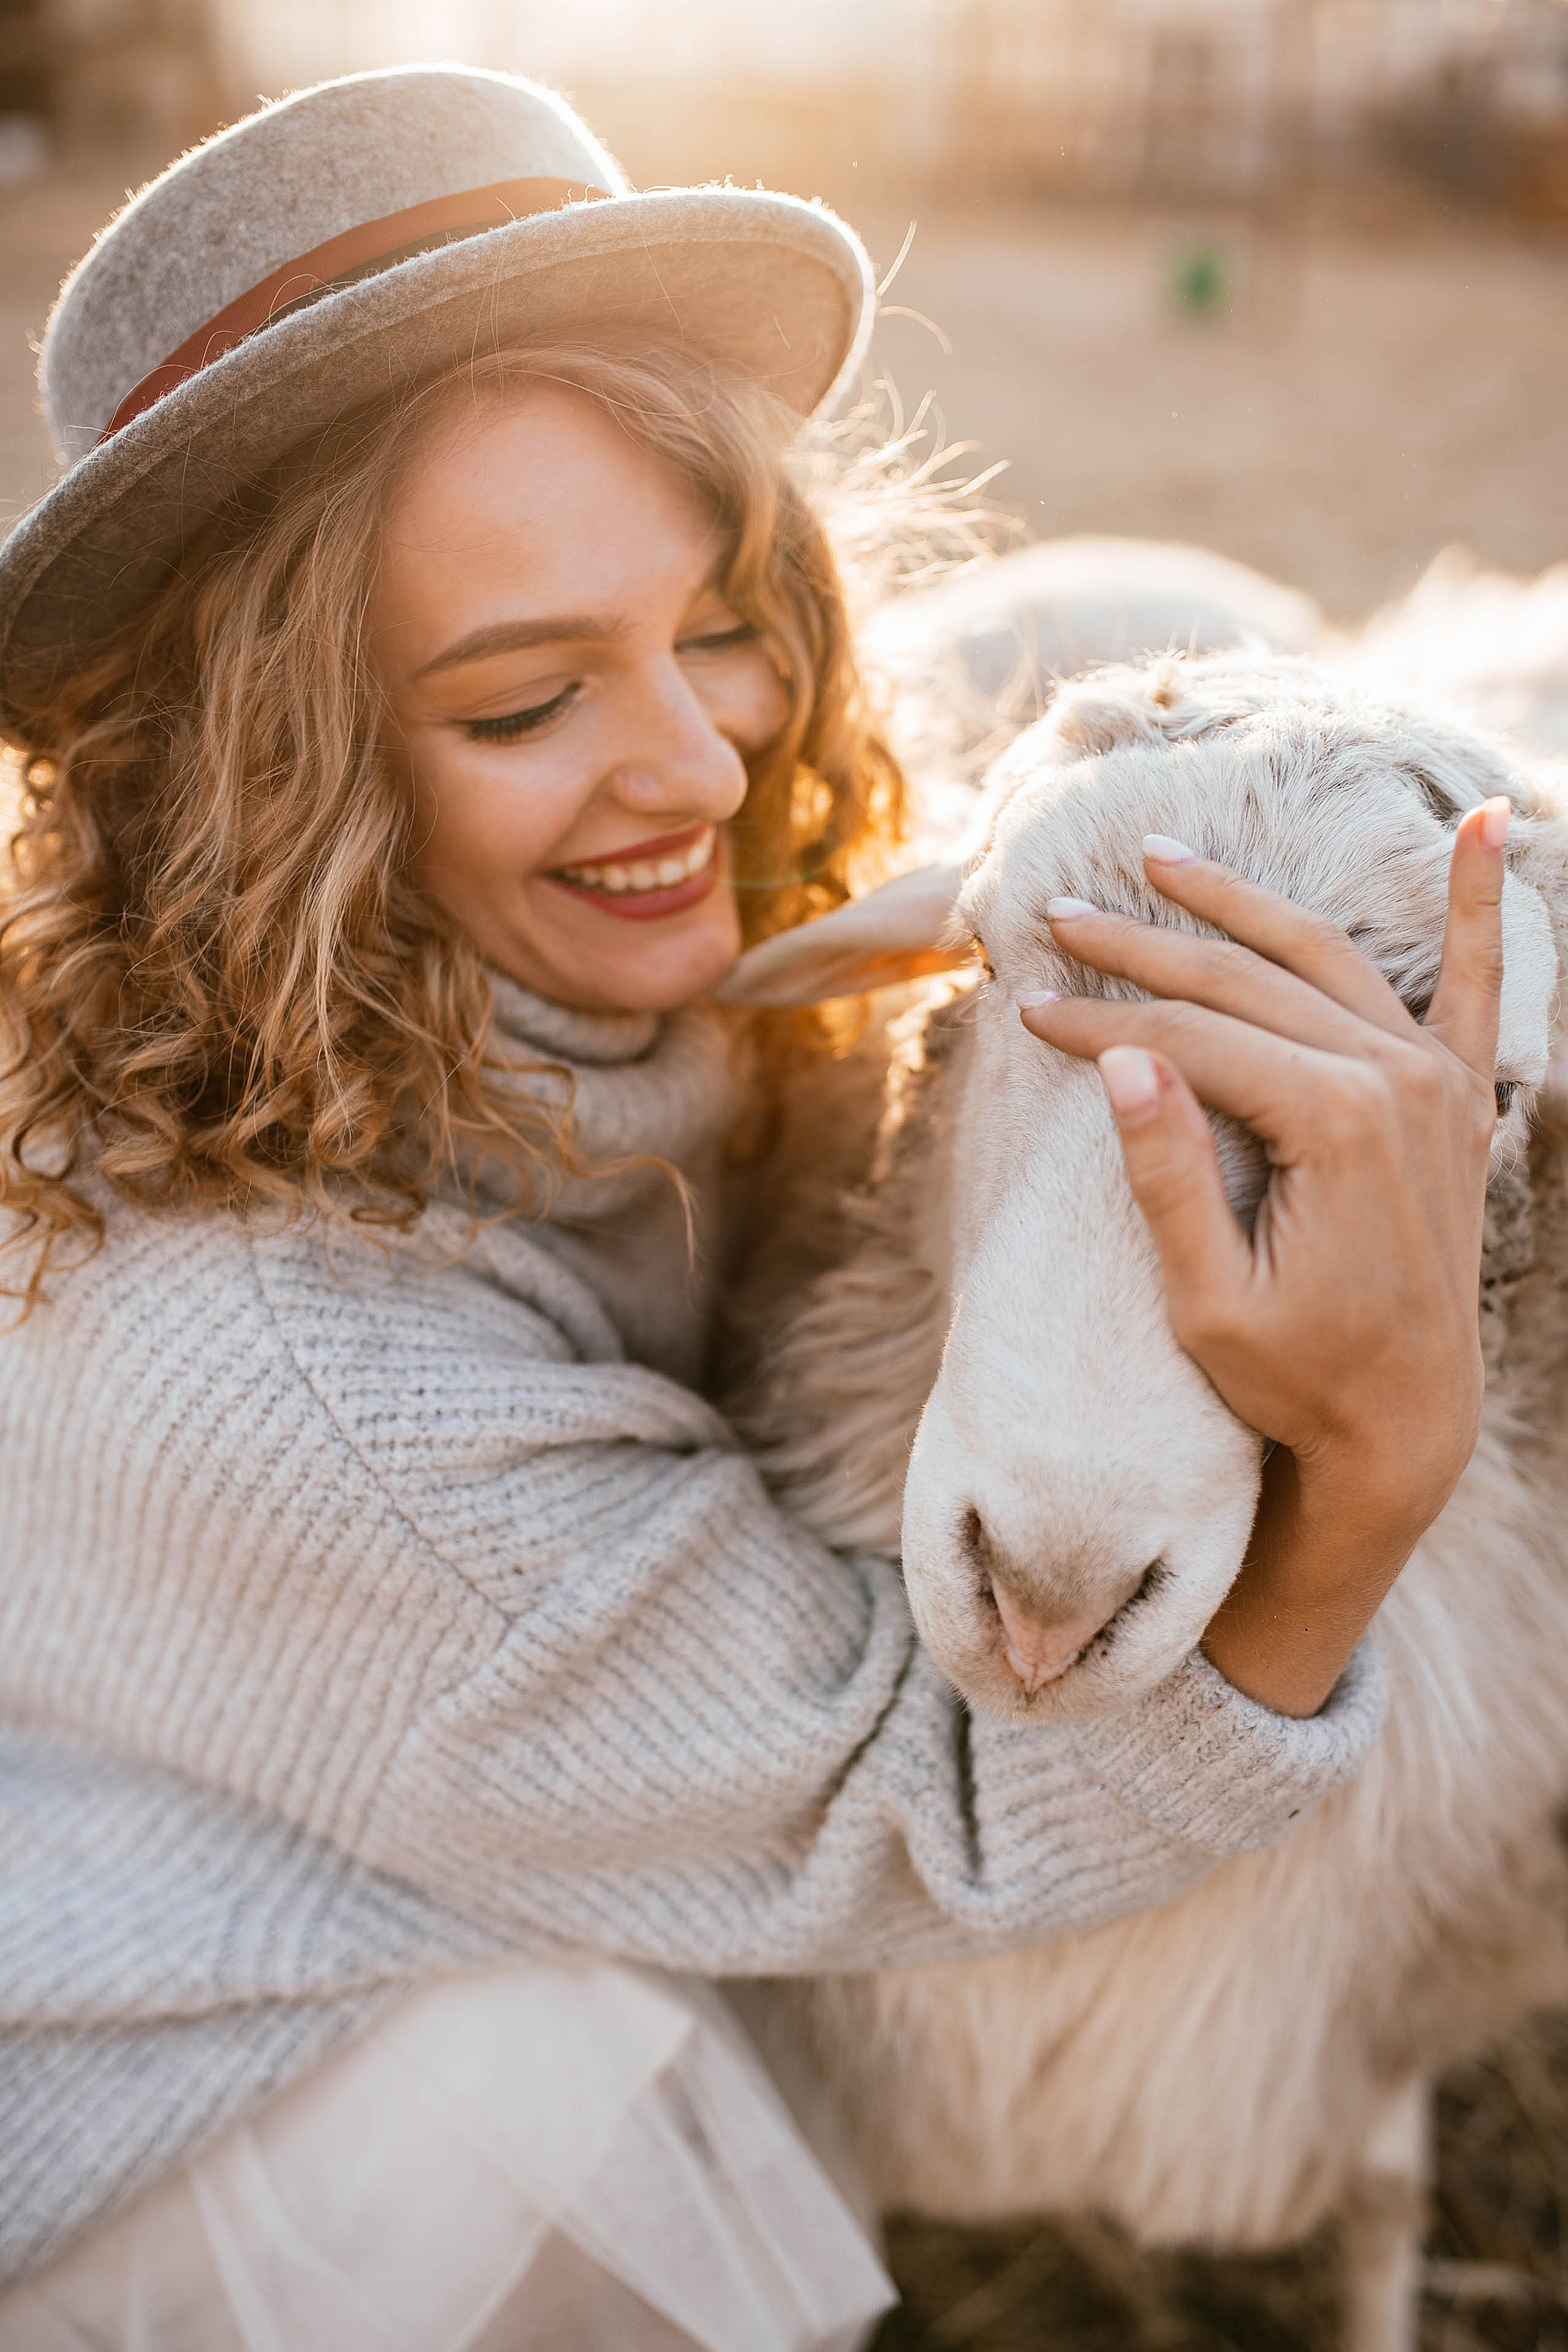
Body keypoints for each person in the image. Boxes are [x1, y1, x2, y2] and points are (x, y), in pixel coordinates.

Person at [0, 64, 1507, 2352]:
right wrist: (1382, 1452)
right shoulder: (268, 1382)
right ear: (267, 764)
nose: (705, 769)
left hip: (441, 1733)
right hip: (199, 2020)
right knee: (553, 2107)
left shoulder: (538, 975)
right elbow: (923, 1800)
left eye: (723, 625)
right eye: (524, 699)